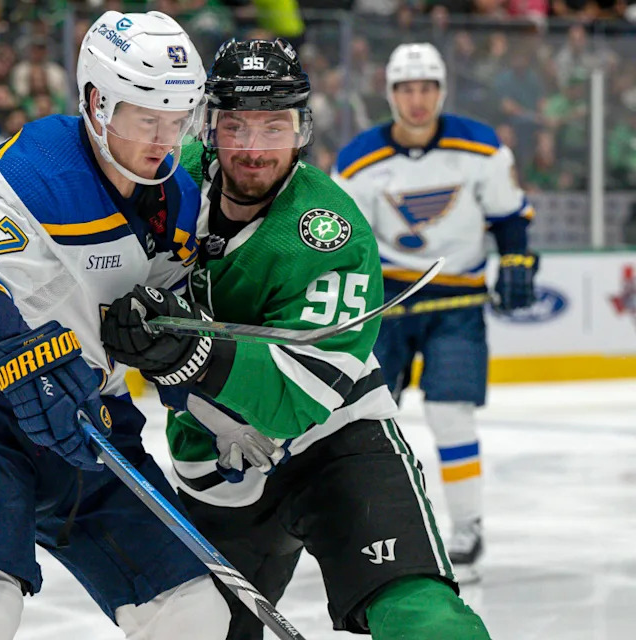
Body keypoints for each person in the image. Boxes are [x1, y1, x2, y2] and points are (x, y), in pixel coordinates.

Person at [101, 39, 490, 639]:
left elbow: (298, 402)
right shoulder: (164, 185)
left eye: (275, 127)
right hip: (213, 465)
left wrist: (187, 355)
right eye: (236, 127)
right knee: (195, 630)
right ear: (208, 126)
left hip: (336, 445)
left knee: (422, 616)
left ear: (302, 130)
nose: (254, 150)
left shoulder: (327, 230)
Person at [0, 11, 231, 640]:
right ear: (98, 102)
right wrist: (24, 356)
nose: (165, 139)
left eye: (177, 118)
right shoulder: (34, 170)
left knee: (195, 613)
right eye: (147, 117)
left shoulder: (179, 196)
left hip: (90, 427)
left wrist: (180, 356)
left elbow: (168, 313)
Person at [333, 42, 538, 583]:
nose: (417, 101)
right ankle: (371, 529)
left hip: (457, 302)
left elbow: (510, 216)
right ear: (391, 94)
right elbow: (341, 235)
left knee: (451, 413)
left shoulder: (481, 147)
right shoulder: (358, 158)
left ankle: (467, 527)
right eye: (406, 89)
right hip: (387, 301)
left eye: (426, 89)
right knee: (370, 417)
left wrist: (517, 259)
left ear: (441, 92)